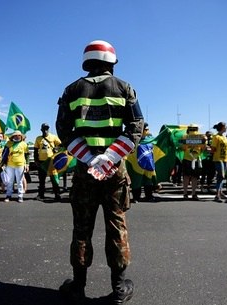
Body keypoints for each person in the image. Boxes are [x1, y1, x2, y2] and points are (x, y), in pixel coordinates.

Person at [56, 40, 144, 304]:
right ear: (111, 62)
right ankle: (119, 287)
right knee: (116, 225)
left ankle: (78, 286)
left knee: (82, 228)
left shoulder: (71, 90)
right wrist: (108, 157)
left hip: (85, 172)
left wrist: (90, 159)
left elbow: (64, 130)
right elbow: (136, 127)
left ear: (87, 62)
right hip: (115, 171)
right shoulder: (124, 88)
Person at [34, 123, 62, 201]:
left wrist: (57, 148)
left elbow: (61, 145)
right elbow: (36, 150)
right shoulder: (38, 138)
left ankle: (57, 195)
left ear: (48, 129)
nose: (45, 130)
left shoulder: (53, 137)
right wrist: (36, 161)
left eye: (47, 129)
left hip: (51, 161)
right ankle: (41, 195)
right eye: (44, 129)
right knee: (41, 180)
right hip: (42, 162)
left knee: (54, 179)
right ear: (41, 129)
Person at [1, 130, 29, 203]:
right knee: (10, 181)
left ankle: (20, 196)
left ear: (21, 136)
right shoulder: (8, 143)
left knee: (19, 181)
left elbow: (27, 154)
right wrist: (3, 164)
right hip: (10, 165)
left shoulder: (24, 144)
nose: (17, 136)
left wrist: (27, 164)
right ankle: (8, 195)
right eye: (15, 135)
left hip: (20, 165)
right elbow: (4, 154)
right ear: (13, 136)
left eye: (19, 135)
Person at [181, 124, 206, 200]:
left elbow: (183, 148)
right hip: (196, 159)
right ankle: (194, 193)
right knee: (195, 177)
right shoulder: (202, 137)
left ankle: (185, 193)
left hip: (187, 158)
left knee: (186, 177)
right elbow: (203, 148)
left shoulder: (185, 137)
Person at [211, 122, 227, 202]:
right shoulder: (216, 137)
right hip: (218, 159)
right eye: (226, 126)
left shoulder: (225, 137)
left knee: (221, 177)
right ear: (222, 127)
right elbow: (213, 148)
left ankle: (220, 192)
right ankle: (217, 195)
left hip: (225, 159)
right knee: (221, 176)